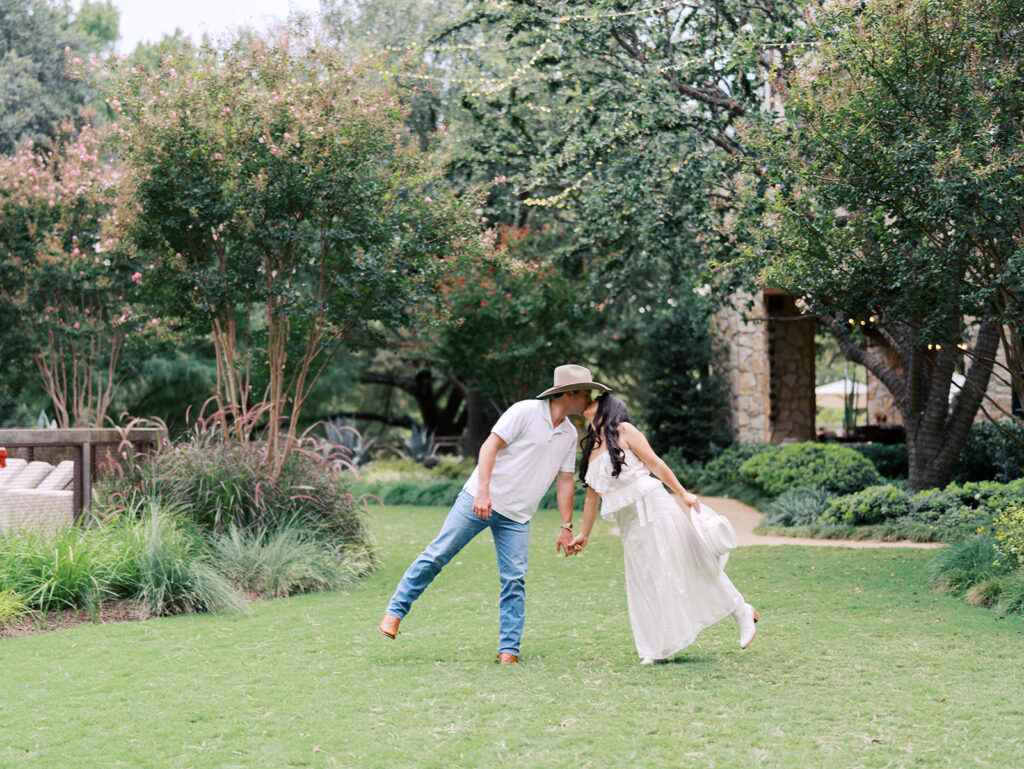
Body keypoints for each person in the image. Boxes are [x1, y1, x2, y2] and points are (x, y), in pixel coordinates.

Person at [377, 364, 611, 664]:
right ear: (569, 394)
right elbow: (489, 447)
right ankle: (395, 612)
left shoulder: (568, 433)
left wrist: (566, 526)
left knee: (514, 580)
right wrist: (484, 492)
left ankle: (509, 651)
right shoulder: (524, 412)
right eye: (586, 393)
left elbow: (565, 479)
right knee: (438, 554)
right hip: (478, 501)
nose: (590, 400)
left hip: (518, 516)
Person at [568, 393, 759, 664]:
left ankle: (742, 611)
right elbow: (591, 496)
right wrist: (584, 534)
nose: (588, 403)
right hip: (630, 522)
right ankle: (656, 648)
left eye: (595, 399)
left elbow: (655, 463)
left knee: (692, 563)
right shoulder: (591, 445)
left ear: (607, 407)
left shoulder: (624, 430)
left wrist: (683, 493)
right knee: (645, 580)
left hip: (655, 508)